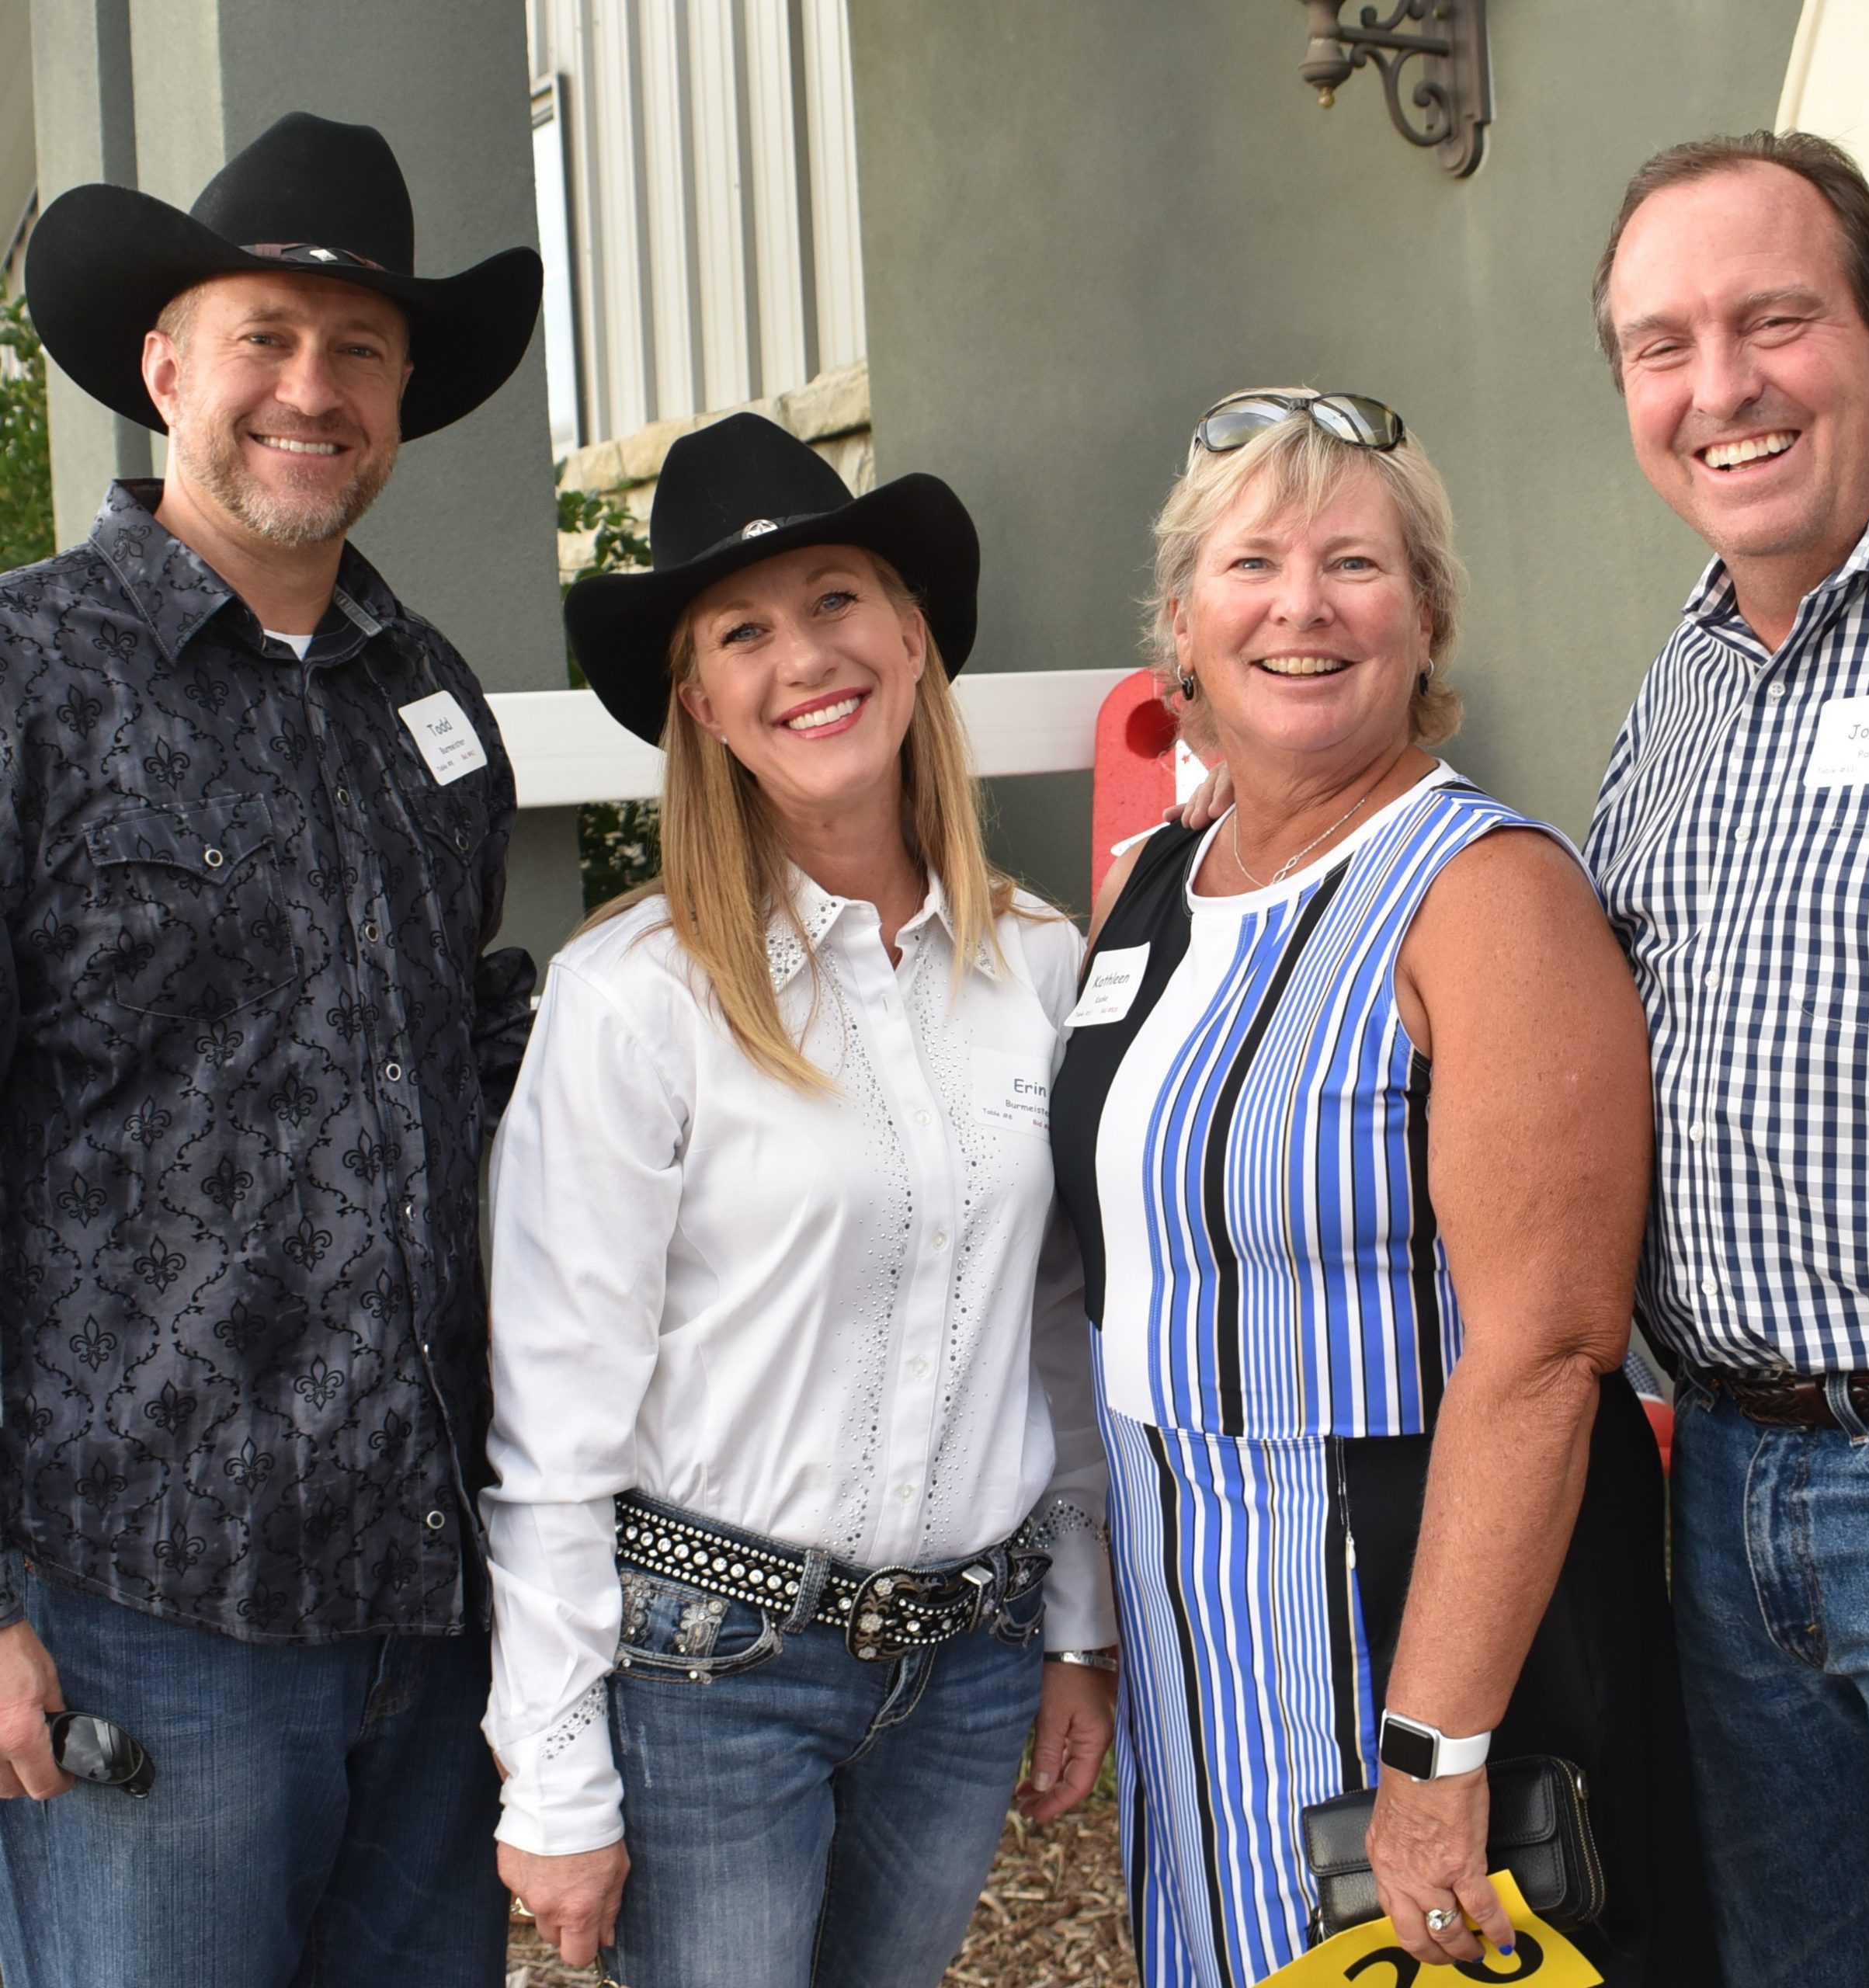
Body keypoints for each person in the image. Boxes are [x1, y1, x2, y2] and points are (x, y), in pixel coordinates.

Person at [1051, 391, 1716, 1986]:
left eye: (1355, 561)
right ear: (1179, 628)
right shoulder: (1162, 882)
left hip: (1402, 1621)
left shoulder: (1482, 891)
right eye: (1250, 563)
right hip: (1196, 1638)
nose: (1300, 603)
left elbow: (1548, 1352)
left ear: (1422, 620)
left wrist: (1436, 1749)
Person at [0, 113, 542, 1987]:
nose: (312, 389)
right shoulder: (28, 679)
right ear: (166, 368)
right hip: (149, 1607)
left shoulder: (432, 700)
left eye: (358, 349)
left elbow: (463, 1065)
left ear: (399, 394)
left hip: (431, 1593)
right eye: (265, 338)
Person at [482, 412, 1117, 1985]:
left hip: (968, 1659)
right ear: (698, 701)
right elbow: (554, 1409)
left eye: (836, 598)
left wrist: (1077, 1625)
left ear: (910, 637)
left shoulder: (1034, 967)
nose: (803, 657)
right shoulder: (634, 996)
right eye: (741, 632)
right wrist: (554, 1770)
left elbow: (1054, 1323)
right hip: (711, 1663)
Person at [1587, 130, 1869, 1987]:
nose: (1718, 388)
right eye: (1659, 346)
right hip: (1729, 1491)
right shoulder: (1671, 690)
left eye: (1772, 323)